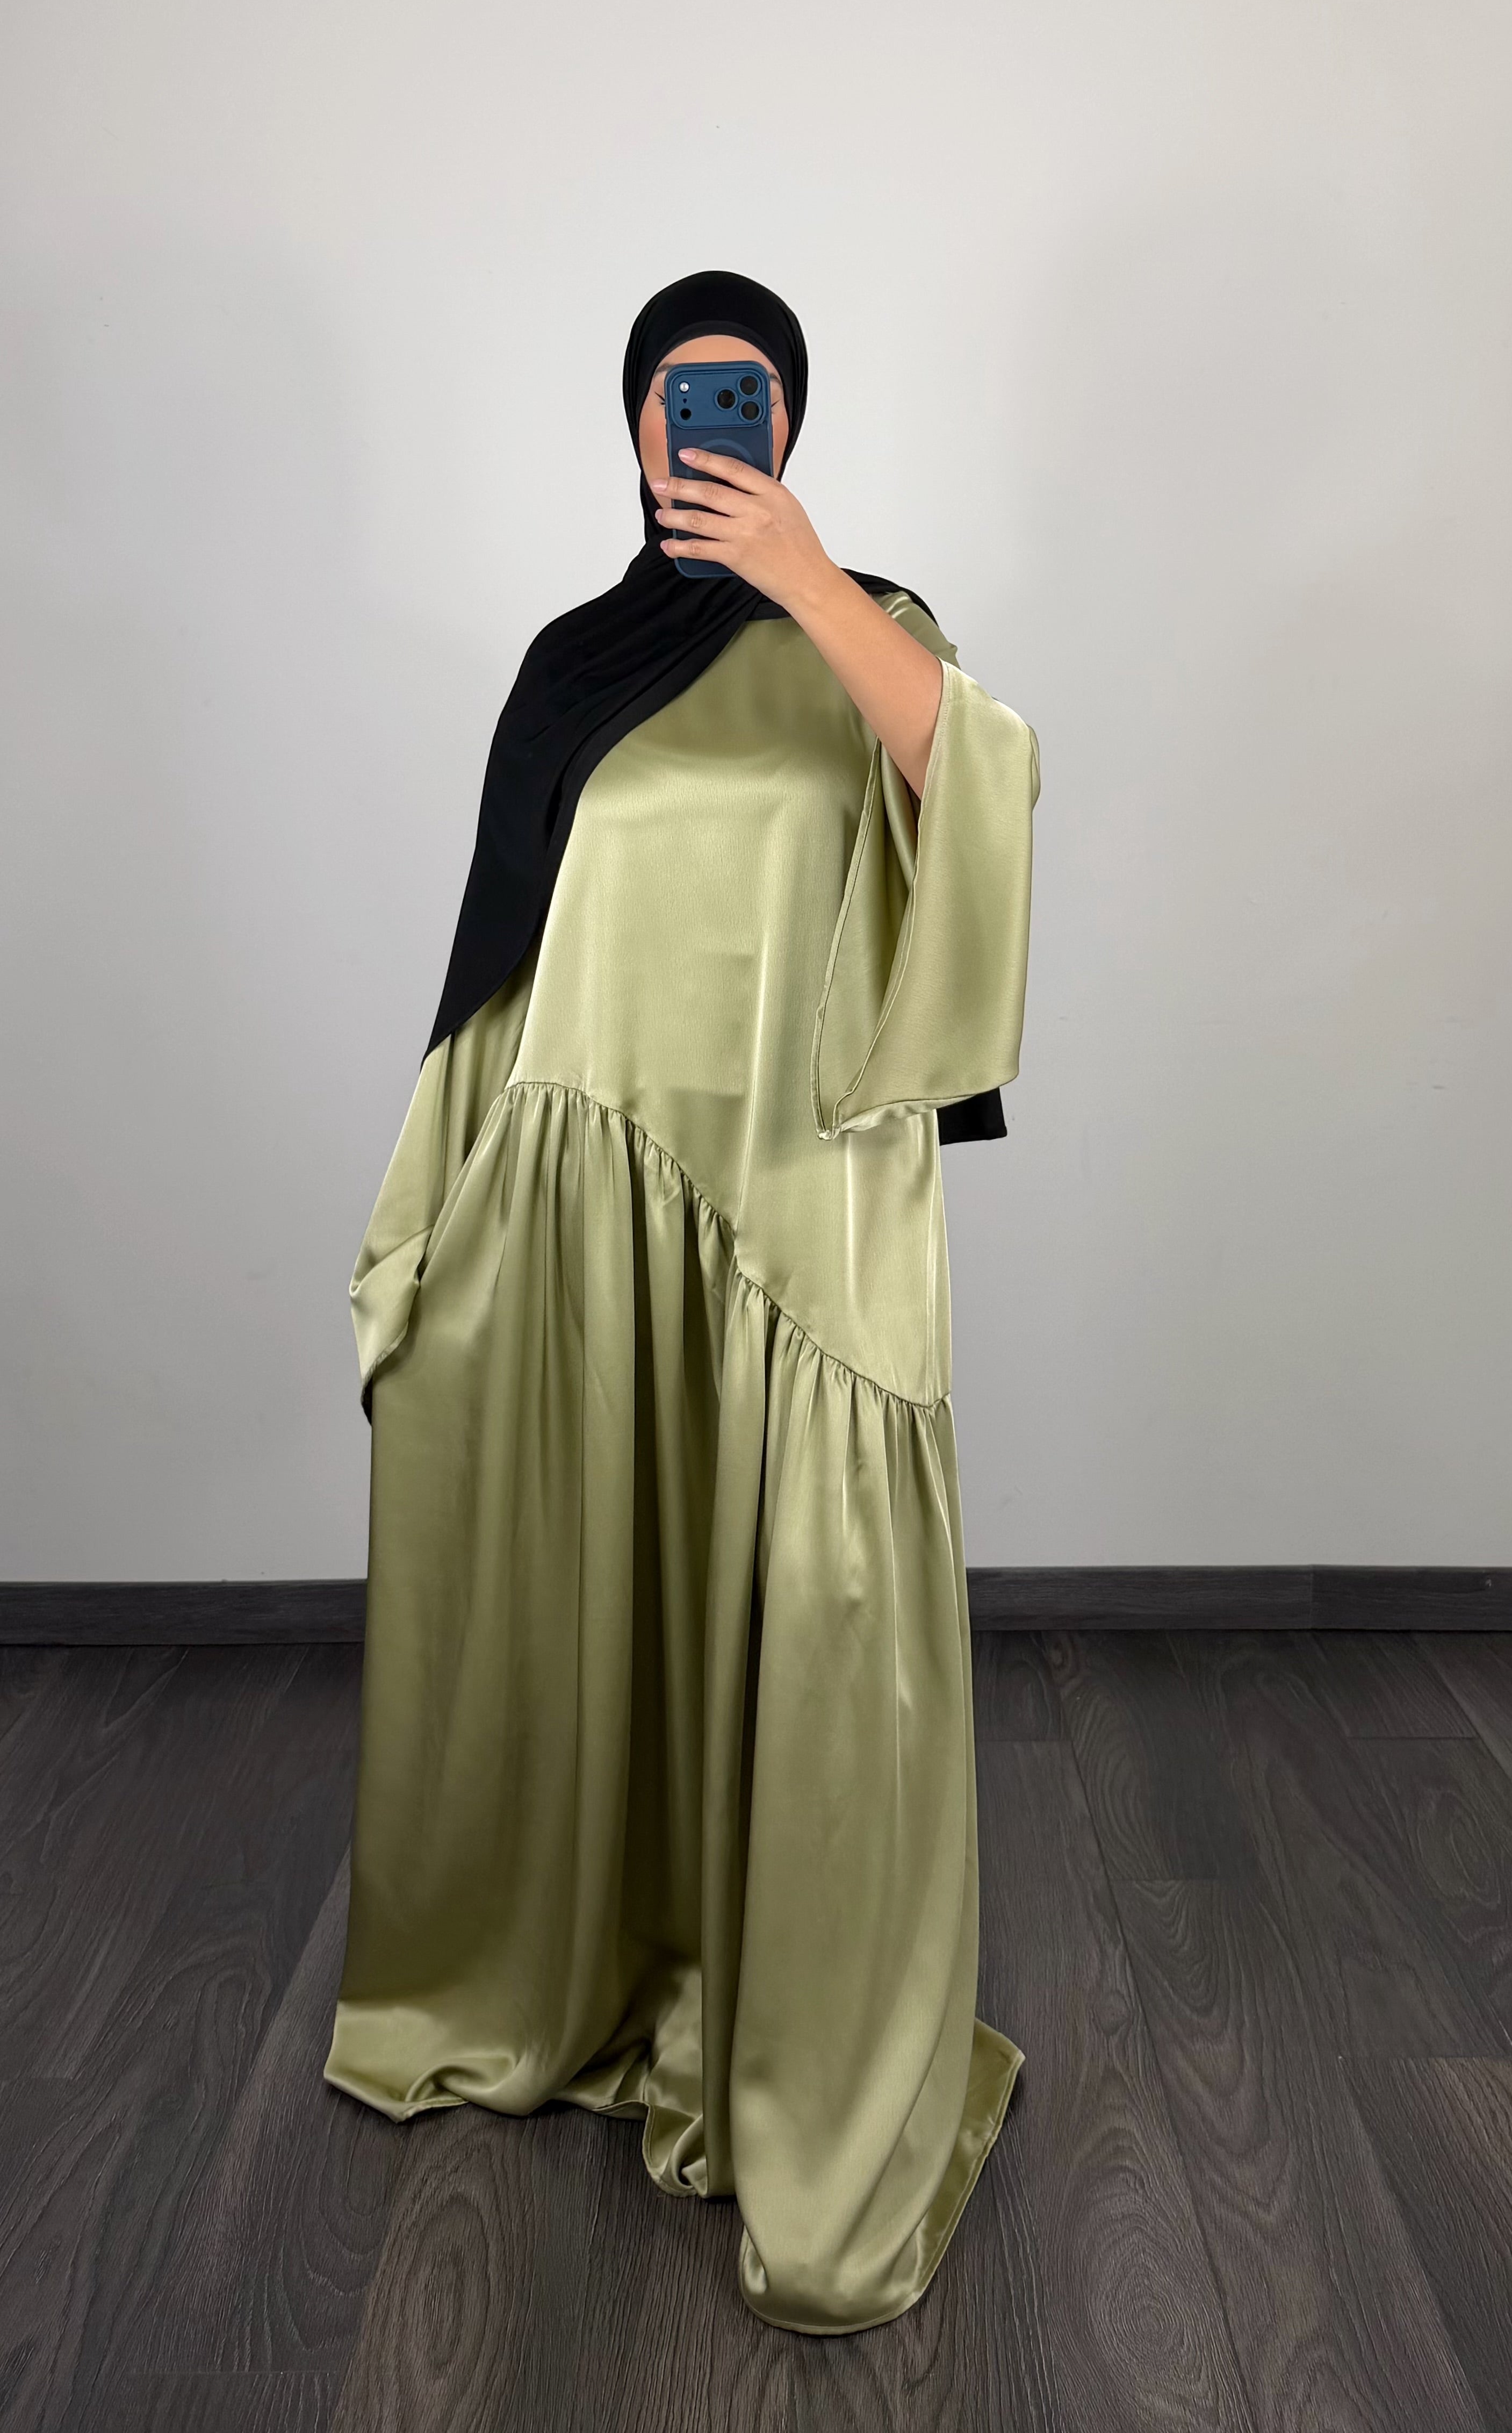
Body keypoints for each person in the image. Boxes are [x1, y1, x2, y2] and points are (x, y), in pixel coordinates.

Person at [323, 269, 1042, 2335]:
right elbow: (503, 964)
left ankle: (807, 2051)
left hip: (798, 1220)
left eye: (736, 393)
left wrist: (807, 581)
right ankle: (584, 1973)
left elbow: (976, 787)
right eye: (667, 393)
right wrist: (434, 1208)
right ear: (629, 425)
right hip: (587, 1213)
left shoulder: (876, 627)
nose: (697, 422)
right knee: (584, 1585)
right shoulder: (572, 666)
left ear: (785, 426)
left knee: (809, 1620)